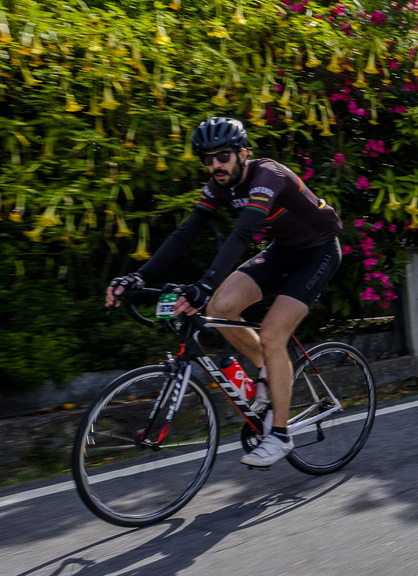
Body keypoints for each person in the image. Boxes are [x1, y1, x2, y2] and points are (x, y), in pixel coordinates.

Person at [106, 116, 343, 468]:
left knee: (272, 333)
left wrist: (203, 283)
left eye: (223, 156)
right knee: (221, 307)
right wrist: (137, 277)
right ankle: (267, 371)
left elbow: (243, 233)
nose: (215, 164)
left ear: (242, 154)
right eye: (208, 158)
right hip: (283, 249)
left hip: (319, 251)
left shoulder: (268, 175)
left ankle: (279, 435)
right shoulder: (218, 186)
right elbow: (185, 234)